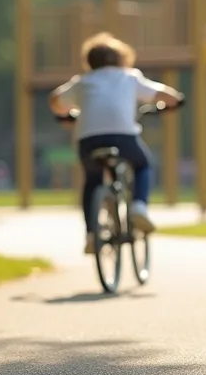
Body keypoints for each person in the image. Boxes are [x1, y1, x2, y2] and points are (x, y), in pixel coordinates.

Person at [51, 33, 183, 254]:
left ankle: (92, 233)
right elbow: (165, 94)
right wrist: (174, 101)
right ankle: (139, 206)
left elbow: (55, 99)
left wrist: (67, 113)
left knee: (92, 181)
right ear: (121, 58)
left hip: (88, 139)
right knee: (142, 165)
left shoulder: (82, 81)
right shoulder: (130, 76)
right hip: (124, 137)